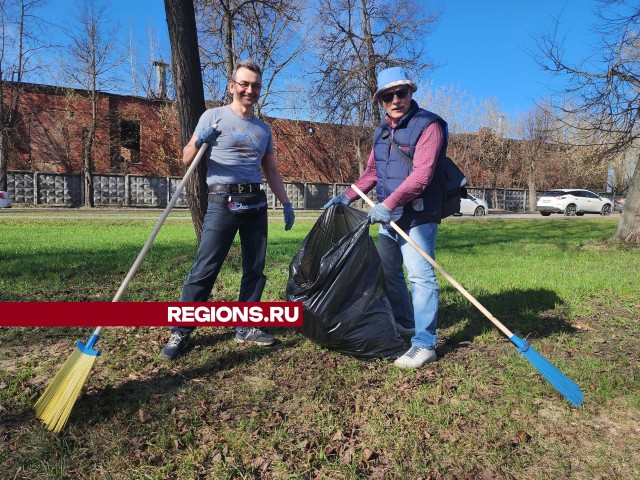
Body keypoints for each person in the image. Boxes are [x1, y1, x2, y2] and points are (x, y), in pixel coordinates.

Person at [161, 60, 295, 360]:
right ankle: (180, 332)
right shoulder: (214, 117)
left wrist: (285, 203)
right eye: (244, 84)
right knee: (205, 268)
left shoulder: (263, 129)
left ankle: (246, 325)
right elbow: (186, 158)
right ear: (232, 85)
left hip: (256, 203)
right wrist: (200, 140)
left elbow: (271, 171)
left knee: (255, 268)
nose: (250, 90)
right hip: (223, 201)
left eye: (255, 85)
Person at [324, 66, 448, 369]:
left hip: (418, 215)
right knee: (390, 272)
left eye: (401, 93)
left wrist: (387, 204)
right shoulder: (380, 131)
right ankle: (406, 323)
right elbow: (372, 172)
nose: (395, 100)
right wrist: (347, 195)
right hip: (388, 217)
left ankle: (425, 343)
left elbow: (421, 176)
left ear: (411, 93)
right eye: (388, 95)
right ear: (380, 100)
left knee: (420, 277)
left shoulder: (429, 125)